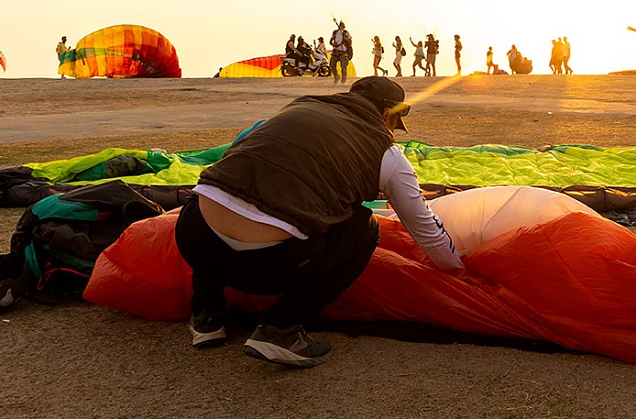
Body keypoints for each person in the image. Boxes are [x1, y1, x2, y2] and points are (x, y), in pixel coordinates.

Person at [174, 77, 463, 368]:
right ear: (387, 114)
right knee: (364, 226)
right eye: (393, 124)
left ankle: (206, 315)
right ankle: (281, 328)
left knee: (214, 191)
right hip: (267, 268)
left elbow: (235, 155)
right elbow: (424, 226)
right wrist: (456, 270)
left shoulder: (295, 109)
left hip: (195, 241)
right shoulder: (386, 153)